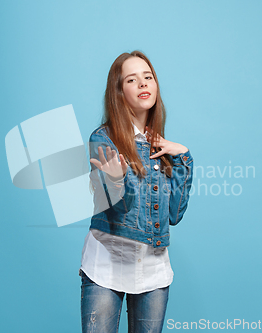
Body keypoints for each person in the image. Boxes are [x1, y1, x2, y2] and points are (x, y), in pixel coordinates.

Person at [79, 50, 194, 333]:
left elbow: (174, 214)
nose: (143, 84)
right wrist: (116, 181)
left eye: (148, 77)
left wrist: (183, 158)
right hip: (108, 265)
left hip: (153, 271)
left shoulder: (161, 147)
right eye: (132, 80)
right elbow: (119, 214)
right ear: (119, 93)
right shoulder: (103, 139)